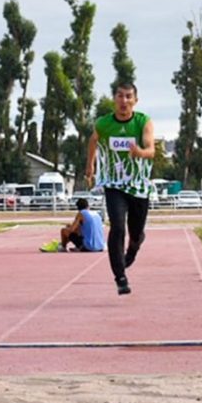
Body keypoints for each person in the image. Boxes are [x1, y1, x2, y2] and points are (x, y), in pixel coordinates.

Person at [85, 82, 155, 296]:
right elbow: (93, 140)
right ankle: (120, 277)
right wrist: (90, 165)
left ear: (135, 100)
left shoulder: (143, 121)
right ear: (114, 99)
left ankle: (134, 247)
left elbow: (151, 150)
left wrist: (139, 153)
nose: (124, 101)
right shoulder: (104, 123)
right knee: (117, 227)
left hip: (139, 187)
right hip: (114, 184)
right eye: (120, 96)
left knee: (135, 233)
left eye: (128, 97)